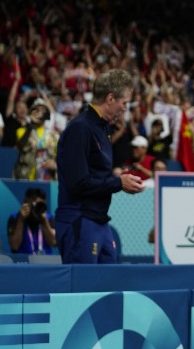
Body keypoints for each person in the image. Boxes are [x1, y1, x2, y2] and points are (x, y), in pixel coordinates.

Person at [55, 69, 145, 264]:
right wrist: (118, 183)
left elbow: (98, 174)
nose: (125, 108)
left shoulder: (104, 128)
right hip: (79, 218)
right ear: (110, 98)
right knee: (83, 291)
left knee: (108, 288)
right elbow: (78, 183)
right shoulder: (80, 128)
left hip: (99, 221)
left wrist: (119, 181)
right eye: (125, 103)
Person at [12, 98, 60, 181]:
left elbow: (62, 158)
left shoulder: (55, 136)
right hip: (26, 178)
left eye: (43, 110)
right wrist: (30, 125)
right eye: (36, 110)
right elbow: (21, 146)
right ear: (31, 114)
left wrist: (56, 165)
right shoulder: (22, 131)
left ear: (47, 115)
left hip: (48, 180)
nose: (39, 113)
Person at [7, 188, 57, 255]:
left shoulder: (48, 218)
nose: (37, 207)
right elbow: (15, 246)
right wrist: (20, 219)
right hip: (23, 262)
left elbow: (53, 242)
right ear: (27, 203)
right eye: (35, 205)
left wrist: (44, 222)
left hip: (45, 262)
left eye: (40, 205)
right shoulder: (15, 217)